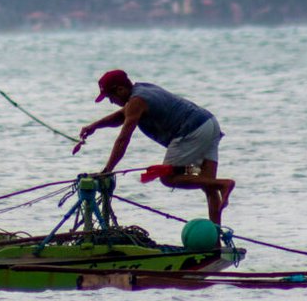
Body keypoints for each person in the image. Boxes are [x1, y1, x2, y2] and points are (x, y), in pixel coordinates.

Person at [73, 69, 235, 225]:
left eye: (110, 97)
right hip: (209, 123)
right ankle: (216, 242)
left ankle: (224, 184)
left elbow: (123, 139)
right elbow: (122, 115)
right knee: (208, 184)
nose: (111, 102)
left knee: (168, 177)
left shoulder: (137, 101)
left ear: (120, 89)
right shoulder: (143, 90)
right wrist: (95, 126)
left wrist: (107, 170)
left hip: (191, 130)